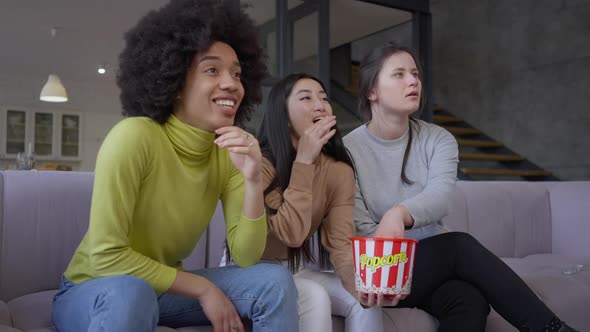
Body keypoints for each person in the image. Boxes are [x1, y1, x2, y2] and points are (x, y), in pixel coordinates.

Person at [51, 1, 298, 331]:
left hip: (160, 291)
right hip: (95, 289)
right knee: (131, 291)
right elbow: (107, 256)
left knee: (274, 281)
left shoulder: (228, 153)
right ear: (175, 81)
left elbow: (247, 257)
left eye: (237, 74)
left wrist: (253, 180)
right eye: (212, 70)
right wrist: (204, 289)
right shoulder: (134, 136)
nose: (231, 84)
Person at [343, 44, 578, 332]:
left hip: (432, 267)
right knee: (458, 246)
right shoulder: (348, 151)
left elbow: (440, 198)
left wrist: (398, 214)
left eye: (415, 74)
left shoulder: (438, 139)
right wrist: (394, 239)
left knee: (469, 301)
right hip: (380, 271)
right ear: (372, 92)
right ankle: (551, 329)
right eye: (399, 74)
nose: (413, 81)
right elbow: (360, 226)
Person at [250, 73, 383, 331]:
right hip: (252, 271)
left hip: (296, 269)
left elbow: (341, 245)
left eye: (323, 98)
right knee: (314, 294)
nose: (320, 105)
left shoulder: (338, 171)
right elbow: (291, 233)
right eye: (306, 98)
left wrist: (362, 287)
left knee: (366, 300)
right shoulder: (260, 165)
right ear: (284, 116)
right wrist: (304, 162)